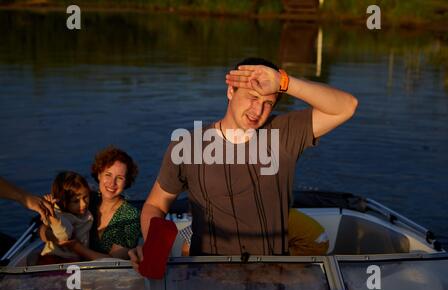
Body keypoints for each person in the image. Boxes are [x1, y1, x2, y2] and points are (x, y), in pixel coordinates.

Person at [129, 57, 358, 268]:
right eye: (253, 97)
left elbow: (347, 106)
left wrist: (284, 82)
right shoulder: (187, 145)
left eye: (268, 103)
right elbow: (156, 205)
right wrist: (153, 247)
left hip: (270, 279)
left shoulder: (284, 133)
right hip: (208, 279)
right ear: (231, 91)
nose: (258, 111)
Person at [40, 146, 141, 260]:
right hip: (67, 265)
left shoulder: (130, 215)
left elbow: (114, 261)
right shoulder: (86, 198)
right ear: (99, 174)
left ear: (127, 181)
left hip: (104, 274)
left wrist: (75, 246)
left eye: (120, 178)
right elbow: (43, 229)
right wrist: (54, 236)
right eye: (108, 175)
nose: (112, 183)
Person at [38, 171, 93, 264]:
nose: (83, 204)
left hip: (74, 260)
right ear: (63, 201)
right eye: (76, 201)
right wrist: (52, 216)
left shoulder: (81, 212)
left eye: (86, 197)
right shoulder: (60, 215)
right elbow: (64, 235)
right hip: (55, 260)